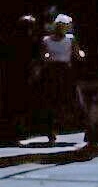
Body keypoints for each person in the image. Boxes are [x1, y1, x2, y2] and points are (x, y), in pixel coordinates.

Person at [38, 15, 85, 145]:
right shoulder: (46, 40)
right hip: (52, 71)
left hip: (65, 71)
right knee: (51, 100)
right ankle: (51, 130)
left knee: (70, 98)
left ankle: (71, 123)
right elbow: (43, 55)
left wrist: (81, 54)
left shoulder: (70, 39)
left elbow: (77, 53)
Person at [0, 15, 39, 145]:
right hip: (20, 76)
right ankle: (15, 134)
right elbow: (33, 59)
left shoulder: (11, 39)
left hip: (12, 76)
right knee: (19, 106)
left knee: (13, 105)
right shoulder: (27, 40)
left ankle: (13, 133)